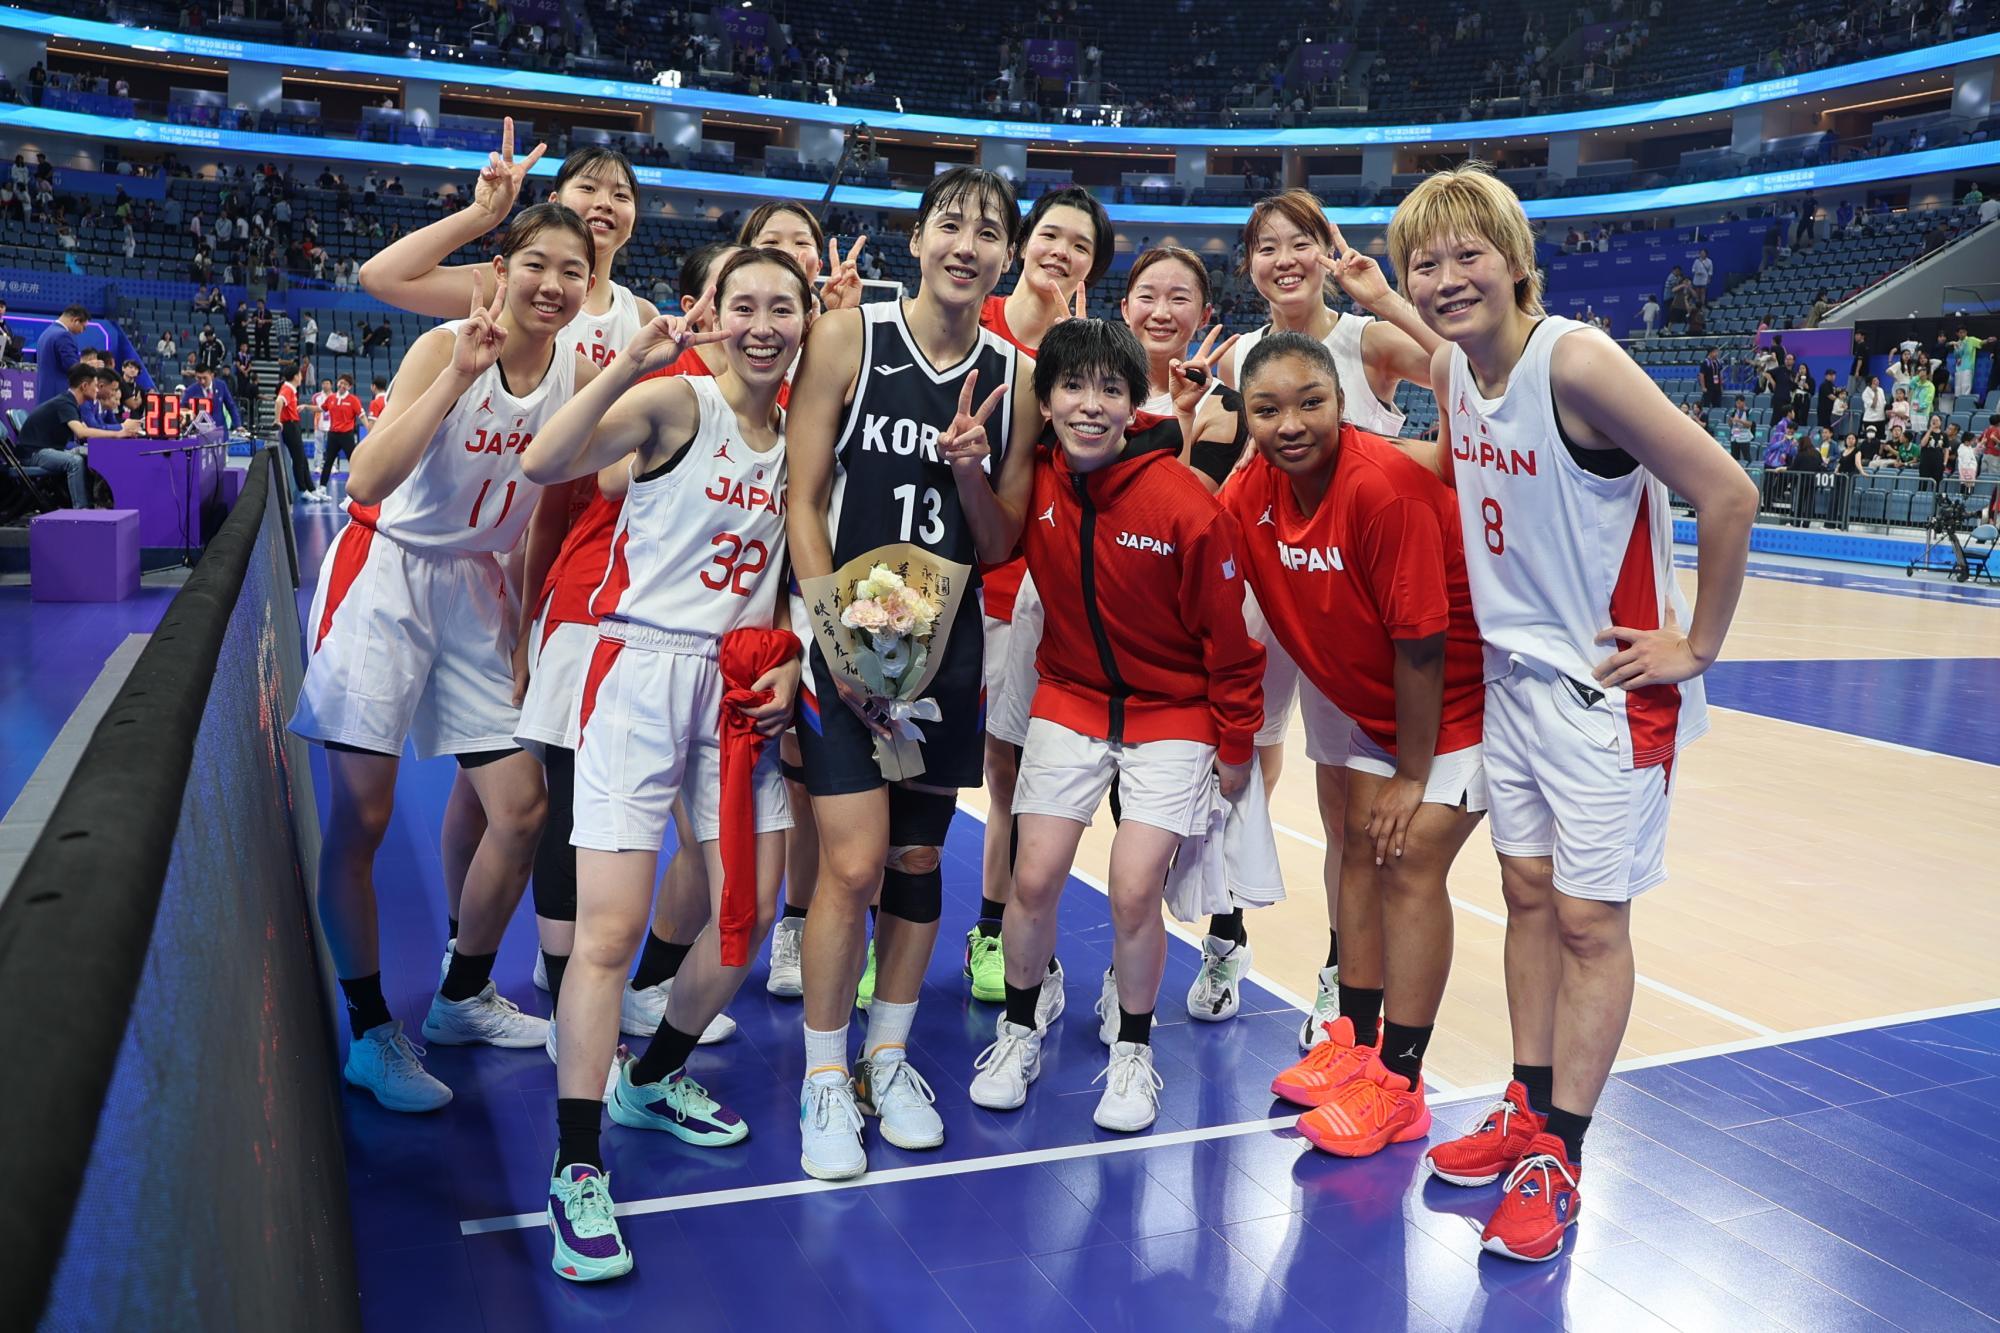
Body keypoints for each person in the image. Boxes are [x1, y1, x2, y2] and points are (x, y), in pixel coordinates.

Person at [1387, 163, 1756, 1263]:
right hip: (1513, 683)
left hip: (1605, 697)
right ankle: (1524, 1103)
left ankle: (1564, 1155)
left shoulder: (1577, 360)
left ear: (1514, 261)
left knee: (1592, 924)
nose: (1446, 278)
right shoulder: (1457, 369)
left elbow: (1725, 490)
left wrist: (1696, 649)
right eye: (1426, 262)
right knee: (1526, 896)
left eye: (1467, 255)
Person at [360, 127, 700, 1060]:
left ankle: (478, 978)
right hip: (452, 560)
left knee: (522, 793)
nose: (605, 201)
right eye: (588, 186)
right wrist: (480, 216)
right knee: (462, 798)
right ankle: (444, 973)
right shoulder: (501, 290)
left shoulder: (630, 329)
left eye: (620, 192)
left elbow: (614, 474)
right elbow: (382, 280)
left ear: (629, 222)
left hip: (542, 565)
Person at [519, 248, 809, 1283]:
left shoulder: (804, 436)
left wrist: (800, 663)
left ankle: (655, 1075)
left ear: (807, 320)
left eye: (784, 305)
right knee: (606, 932)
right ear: (715, 314)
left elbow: (800, 574)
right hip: (637, 671)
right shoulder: (677, 403)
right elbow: (545, 461)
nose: (764, 322)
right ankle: (576, 1163)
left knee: (747, 917)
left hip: (736, 689)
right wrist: (631, 359)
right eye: (745, 305)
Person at [288, 203, 597, 1115]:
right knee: (365, 815)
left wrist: (523, 612)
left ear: (589, 283)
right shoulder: (451, 345)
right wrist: (454, 378)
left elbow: (547, 505)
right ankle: (371, 1030)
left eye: (571, 271)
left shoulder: (579, 364)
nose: (552, 283)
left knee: (523, 806)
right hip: (385, 570)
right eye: (534, 263)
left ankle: (461, 996)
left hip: (474, 587)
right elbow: (365, 480)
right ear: (499, 268)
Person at [783, 166, 1043, 1181]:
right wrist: (830, 630)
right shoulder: (851, 337)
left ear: (1006, 258)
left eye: (987, 231)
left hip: (947, 650)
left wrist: (973, 466)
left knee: (917, 863)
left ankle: (886, 1059)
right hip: (846, 646)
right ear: (918, 239)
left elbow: (1001, 538)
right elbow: (803, 495)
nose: (966, 244)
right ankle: (821, 1075)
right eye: (950, 224)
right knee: (848, 865)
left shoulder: (1013, 379)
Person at [1200, 330, 1489, 1158]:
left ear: (1340, 401)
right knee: (1358, 853)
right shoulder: (1249, 489)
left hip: (1462, 697)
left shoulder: (1384, 487)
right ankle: (1354, 1044)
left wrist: (1412, 774)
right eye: (1267, 408)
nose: (1290, 423)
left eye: (1310, 403)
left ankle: (1401, 1082)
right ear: (1246, 416)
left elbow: (1424, 645)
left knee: (1408, 860)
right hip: (1371, 699)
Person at [967, 318, 1260, 1132]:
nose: (1090, 405)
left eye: (1111, 389)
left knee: (1135, 890)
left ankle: (1133, 1050)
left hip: (1174, 713)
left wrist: (1234, 744)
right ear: (1047, 400)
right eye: (1072, 386)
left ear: (1136, 404)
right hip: (1070, 697)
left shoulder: (1185, 504)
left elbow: (1230, 644)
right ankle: (1019, 1028)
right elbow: (992, 544)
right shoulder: (1039, 478)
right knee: (1033, 877)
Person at [1181, 188, 1443, 1044]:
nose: (1285, 257)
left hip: (1350, 604)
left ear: (1327, 249)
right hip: (1262, 586)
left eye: (1301, 241)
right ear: (1249, 265)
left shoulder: (1366, 339)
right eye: (1267, 245)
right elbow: (1213, 467)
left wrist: (1381, 294)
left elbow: (1470, 374)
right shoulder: (1239, 358)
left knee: (1348, 809)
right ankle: (1226, 940)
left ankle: (1343, 973)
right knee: (1238, 773)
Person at [967, 185, 1112, 1008]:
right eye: (1051, 234)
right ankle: (869, 932)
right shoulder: (967, 317)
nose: (1061, 251)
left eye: (1080, 245)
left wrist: (1070, 345)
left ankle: (998, 934)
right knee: (902, 774)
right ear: (1023, 243)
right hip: (936, 583)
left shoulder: (1083, 356)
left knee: (1008, 773)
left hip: (1025, 596)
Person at [18, 362, 142, 506]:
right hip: (33, 454)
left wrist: (119, 433)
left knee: (87, 454)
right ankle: (81, 510)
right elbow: (81, 432)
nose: (97, 390)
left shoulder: (72, 403)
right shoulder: (65, 403)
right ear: (84, 386)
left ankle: (99, 503)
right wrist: (118, 433)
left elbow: (88, 432)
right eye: (95, 386)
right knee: (75, 462)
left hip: (50, 449)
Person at [274, 359, 324, 502]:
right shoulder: (287, 388)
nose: (301, 377)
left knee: (302, 459)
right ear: (296, 376)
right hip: (289, 426)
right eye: (300, 375)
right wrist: (277, 420)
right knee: (298, 459)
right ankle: (302, 490)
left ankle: (311, 489)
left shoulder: (291, 389)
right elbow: (278, 401)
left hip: (294, 425)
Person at [318, 373, 365, 492]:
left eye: (345, 384)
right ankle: (322, 487)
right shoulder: (331, 398)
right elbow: (321, 408)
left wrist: (370, 429)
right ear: (338, 383)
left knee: (353, 461)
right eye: (341, 382)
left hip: (347, 436)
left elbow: (362, 415)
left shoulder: (353, 400)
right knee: (328, 461)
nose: (342, 385)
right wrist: (306, 406)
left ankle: (360, 486)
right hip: (333, 435)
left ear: (349, 387)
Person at [33, 304, 87, 405]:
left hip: (46, 396)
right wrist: (88, 365)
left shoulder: (46, 333)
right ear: (76, 320)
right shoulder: (63, 335)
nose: (82, 332)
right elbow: (73, 368)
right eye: (83, 328)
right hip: (59, 398)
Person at [1955, 326, 1984, 399]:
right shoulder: (1957, 343)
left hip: (1968, 368)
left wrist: (1987, 340)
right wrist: (1958, 358)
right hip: (1958, 369)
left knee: (1966, 388)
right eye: (1960, 332)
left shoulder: (1971, 340)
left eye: (1964, 332)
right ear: (1957, 334)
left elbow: (1981, 343)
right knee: (1957, 391)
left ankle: (1965, 406)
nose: (1962, 334)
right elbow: (1957, 356)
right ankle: (1958, 408)